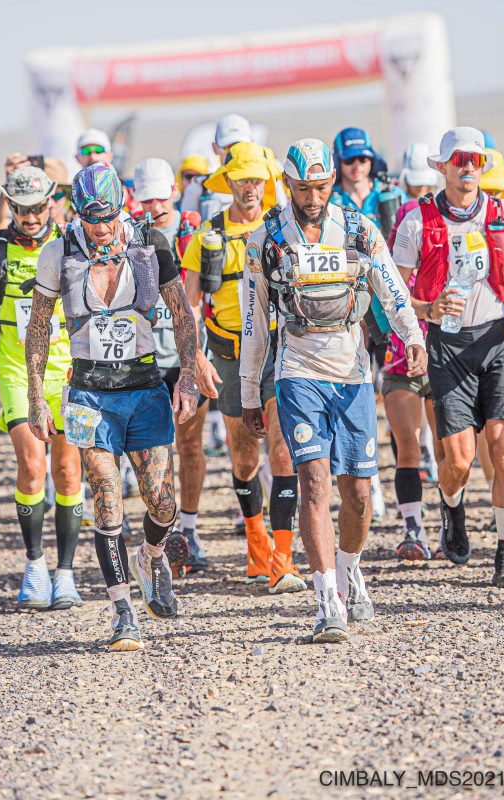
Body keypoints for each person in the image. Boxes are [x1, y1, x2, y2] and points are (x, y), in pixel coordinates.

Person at [240, 137, 426, 642]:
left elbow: (390, 285)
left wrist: (412, 335)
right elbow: (255, 322)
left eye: (321, 186)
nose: (313, 197)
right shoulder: (264, 240)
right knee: (315, 483)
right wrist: (251, 392)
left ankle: (349, 568)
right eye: (303, 187)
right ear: (287, 185)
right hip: (297, 369)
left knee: (359, 494)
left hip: (352, 371)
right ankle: (326, 598)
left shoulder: (360, 229)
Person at [26, 162, 203, 652]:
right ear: (78, 213)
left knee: (161, 501)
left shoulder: (151, 245)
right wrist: (36, 396)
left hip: (144, 386)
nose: (101, 228)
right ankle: (123, 611)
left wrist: (187, 375)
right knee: (104, 492)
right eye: (90, 218)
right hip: (88, 392)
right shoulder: (58, 254)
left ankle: (151, 555)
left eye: (107, 217)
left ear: (121, 207)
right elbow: (38, 326)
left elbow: (182, 315)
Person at [393, 127, 504, 588]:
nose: (468, 167)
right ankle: (453, 507)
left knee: (503, 448)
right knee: (458, 459)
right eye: (458, 159)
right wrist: (426, 309)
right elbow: (394, 290)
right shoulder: (417, 222)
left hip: (499, 338)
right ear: (440, 167)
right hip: (448, 344)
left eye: (475, 160)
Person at [181, 142, 303, 593]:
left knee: (283, 449)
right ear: (227, 182)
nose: (250, 188)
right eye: (242, 179)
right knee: (243, 453)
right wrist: (194, 357)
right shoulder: (207, 235)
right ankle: (257, 545)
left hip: (278, 351)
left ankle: (284, 557)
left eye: (257, 179)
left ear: (267, 182)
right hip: (229, 354)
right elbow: (190, 306)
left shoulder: (280, 229)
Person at [0, 166, 85, 609]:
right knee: (33, 465)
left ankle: (66, 574)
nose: (31, 217)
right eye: (21, 208)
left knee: (69, 472)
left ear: (52, 202)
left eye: (38, 208)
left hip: (70, 372)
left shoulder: (73, 244)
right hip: (19, 372)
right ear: (10, 205)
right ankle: (35, 565)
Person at [133, 157, 213, 575]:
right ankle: (161, 537)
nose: (154, 206)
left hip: (187, 356)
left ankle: (191, 529)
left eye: (161, 197)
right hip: (146, 359)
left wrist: (196, 353)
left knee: (190, 445)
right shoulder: (130, 236)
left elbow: (204, 299)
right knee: (154, 454)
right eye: (146, 198)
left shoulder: (195, 232)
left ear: (174, 193)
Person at [330, 127, 403, 239]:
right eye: (349, 159)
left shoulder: (395, 194)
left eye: (363, 158)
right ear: (337, 162)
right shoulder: (328, 201)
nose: (357, 166)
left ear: (372, 159)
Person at [180, 114, 254, 219]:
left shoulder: (269, 180)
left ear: (253, 145)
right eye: (229, 148)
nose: (236, 153)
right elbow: (188, 229)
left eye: (242, 146)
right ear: (215, 148)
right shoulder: (199, 187)